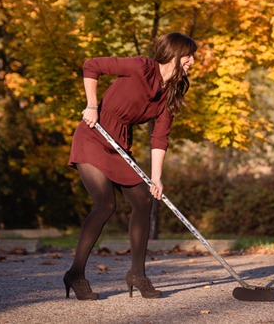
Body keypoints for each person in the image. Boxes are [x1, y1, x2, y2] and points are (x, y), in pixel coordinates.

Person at [64, 32, 198, 301]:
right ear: (173, 54)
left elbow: (160, 137)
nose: (192, 61)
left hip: (120, 145)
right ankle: (76, 273)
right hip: (93, 135)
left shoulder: (171, 92)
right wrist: (92, 105)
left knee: (143, 200)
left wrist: (156, 178)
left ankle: (138, 274)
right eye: (188, 55)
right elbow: (92, 65)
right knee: (105, 205)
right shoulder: (140, 66)